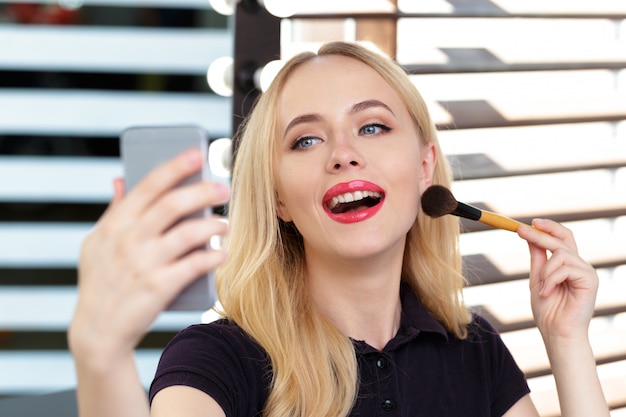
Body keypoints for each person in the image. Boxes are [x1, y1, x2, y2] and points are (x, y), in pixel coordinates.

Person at [68, 41, 609, 417]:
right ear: (278, 197)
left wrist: (568, 344)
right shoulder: (216, 361)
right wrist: (101, 357)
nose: (344, 155)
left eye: (372, 127)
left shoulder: (475, 350)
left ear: (425, 168)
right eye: (306, 140)